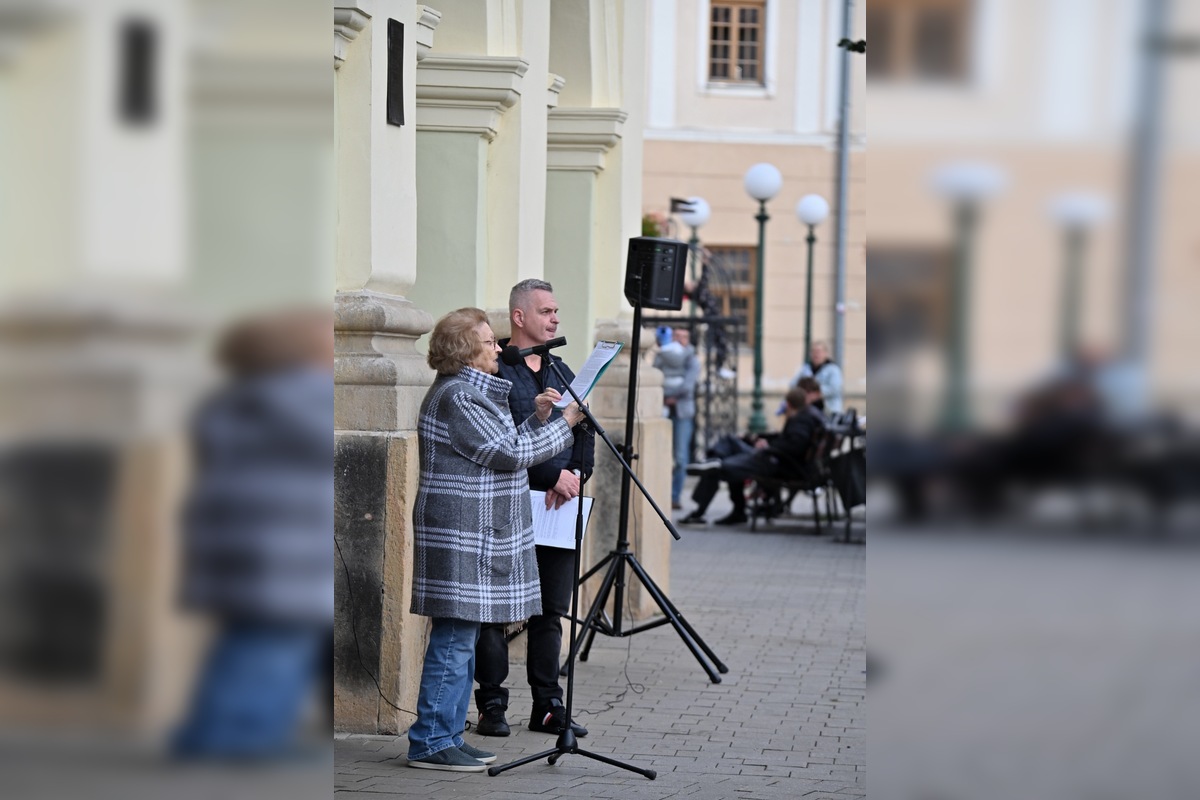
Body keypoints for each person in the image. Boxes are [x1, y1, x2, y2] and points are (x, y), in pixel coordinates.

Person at [407, 307, 584, 772]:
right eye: (488, 341)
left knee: (461, 635)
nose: (498, 348)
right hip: (462, 531)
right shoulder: (458, 396)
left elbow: (501, 446)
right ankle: (429, 741)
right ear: (466, 350)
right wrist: (565, 421)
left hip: (474, 530)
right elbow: (508, 455)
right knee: (454, 638)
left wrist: (540, 418)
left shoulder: (470, 394)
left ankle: (444, 734)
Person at [172, 308, 334, 760]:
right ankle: (241, 743)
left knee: (243, 643)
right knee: (275, 649)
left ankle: (207, 736)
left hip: (239, 541)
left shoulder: (234, 397)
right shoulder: (304, 392)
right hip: (284, 547)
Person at [474, 279, 595, 740]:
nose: (556, 319)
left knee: (551, 611)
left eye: (557, 311)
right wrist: (551, 477)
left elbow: (584, 434)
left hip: (559, 511)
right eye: (546, 311)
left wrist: (577, 477)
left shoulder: (563, 371)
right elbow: (499, 443)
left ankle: (547, 705)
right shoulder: (493, 369)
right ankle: (492, 705)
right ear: (519, 317)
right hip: (509, 505)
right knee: (496, 609)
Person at [681, 384, 825, 526]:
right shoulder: (807, 415)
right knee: (731, 442)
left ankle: (717, 465)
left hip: (779, 463)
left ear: (788, 404)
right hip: (779, 459)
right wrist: (762, 440)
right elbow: (789, 440)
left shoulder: (802, 419)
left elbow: (794, 445)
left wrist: (768, 446)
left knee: (733, 462)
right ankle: (714, 461)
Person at [654, 326, 701, 510]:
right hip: (663, 410)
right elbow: (655, 377)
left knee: (681, 458)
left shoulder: (692, 359)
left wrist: (669, 395)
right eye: (677, 335)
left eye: (684, 336)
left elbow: (688, 386)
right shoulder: (663, 355)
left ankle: (675, 497)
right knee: (662, 456)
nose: (680, 339)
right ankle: (660, 493)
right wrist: (665, 396)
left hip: (682, 412)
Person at [791, 341, 843, 413]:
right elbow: (793, 384)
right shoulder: (805, 369)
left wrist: (816, 393)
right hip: (807, 410)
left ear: (825, 353)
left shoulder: (833, 369)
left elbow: (835, 388)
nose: (816, 354)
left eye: (819, 351)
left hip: (829, 410)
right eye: (813, 351)